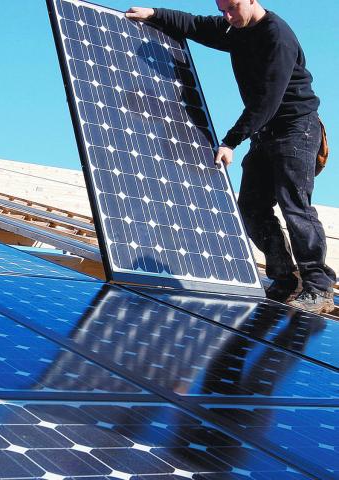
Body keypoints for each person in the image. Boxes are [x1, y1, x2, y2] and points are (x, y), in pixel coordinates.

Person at [126, 1, 335, 314]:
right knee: (251, 207)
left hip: (295, 127)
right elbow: (194, 25)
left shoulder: (276, 36)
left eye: (233, 8)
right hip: (266, 131)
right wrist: (154, 14)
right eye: (222, 9)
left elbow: (268, 100)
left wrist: (231, 141)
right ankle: (284, 278)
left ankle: (319, 287)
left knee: (295, 205)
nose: (227, 16)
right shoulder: (233, 28)